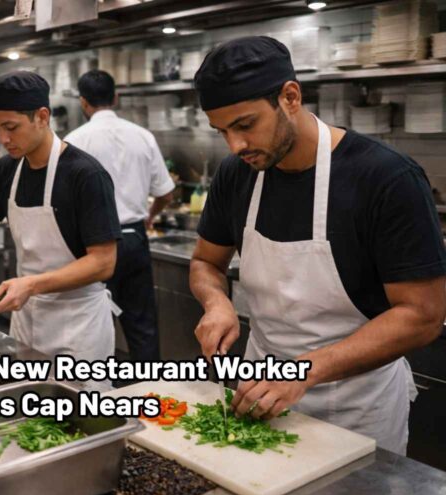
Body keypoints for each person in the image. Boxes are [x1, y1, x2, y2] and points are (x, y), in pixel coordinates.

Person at [190, 36, 446, 454]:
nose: (235, 146)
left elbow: (423, 315)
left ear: (290, 97)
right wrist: (216, 303)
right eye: (222, 131)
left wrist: (304, 371)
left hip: (358, 406)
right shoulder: (236, 175)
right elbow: (205, 262)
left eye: (245, 125)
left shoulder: (386, 178)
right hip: (260, 392)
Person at [0, 71, 121, 361]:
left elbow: (104, 263)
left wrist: (31, 284)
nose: (3, 138)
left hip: (79, 325)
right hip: (27, 317)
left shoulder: (85, 175)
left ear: (42, 117)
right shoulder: (8, 169)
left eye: (11, 127)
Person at [65, 70, 174, 361]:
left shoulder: (74, 142)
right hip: (135, 238)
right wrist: (150, 216)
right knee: (143, 326)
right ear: (116, 97)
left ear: (83, 103)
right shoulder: (143, 136)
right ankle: (152, 396)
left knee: (97, 326)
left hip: (94, 245)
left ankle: (100, 398)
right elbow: (166, 193)